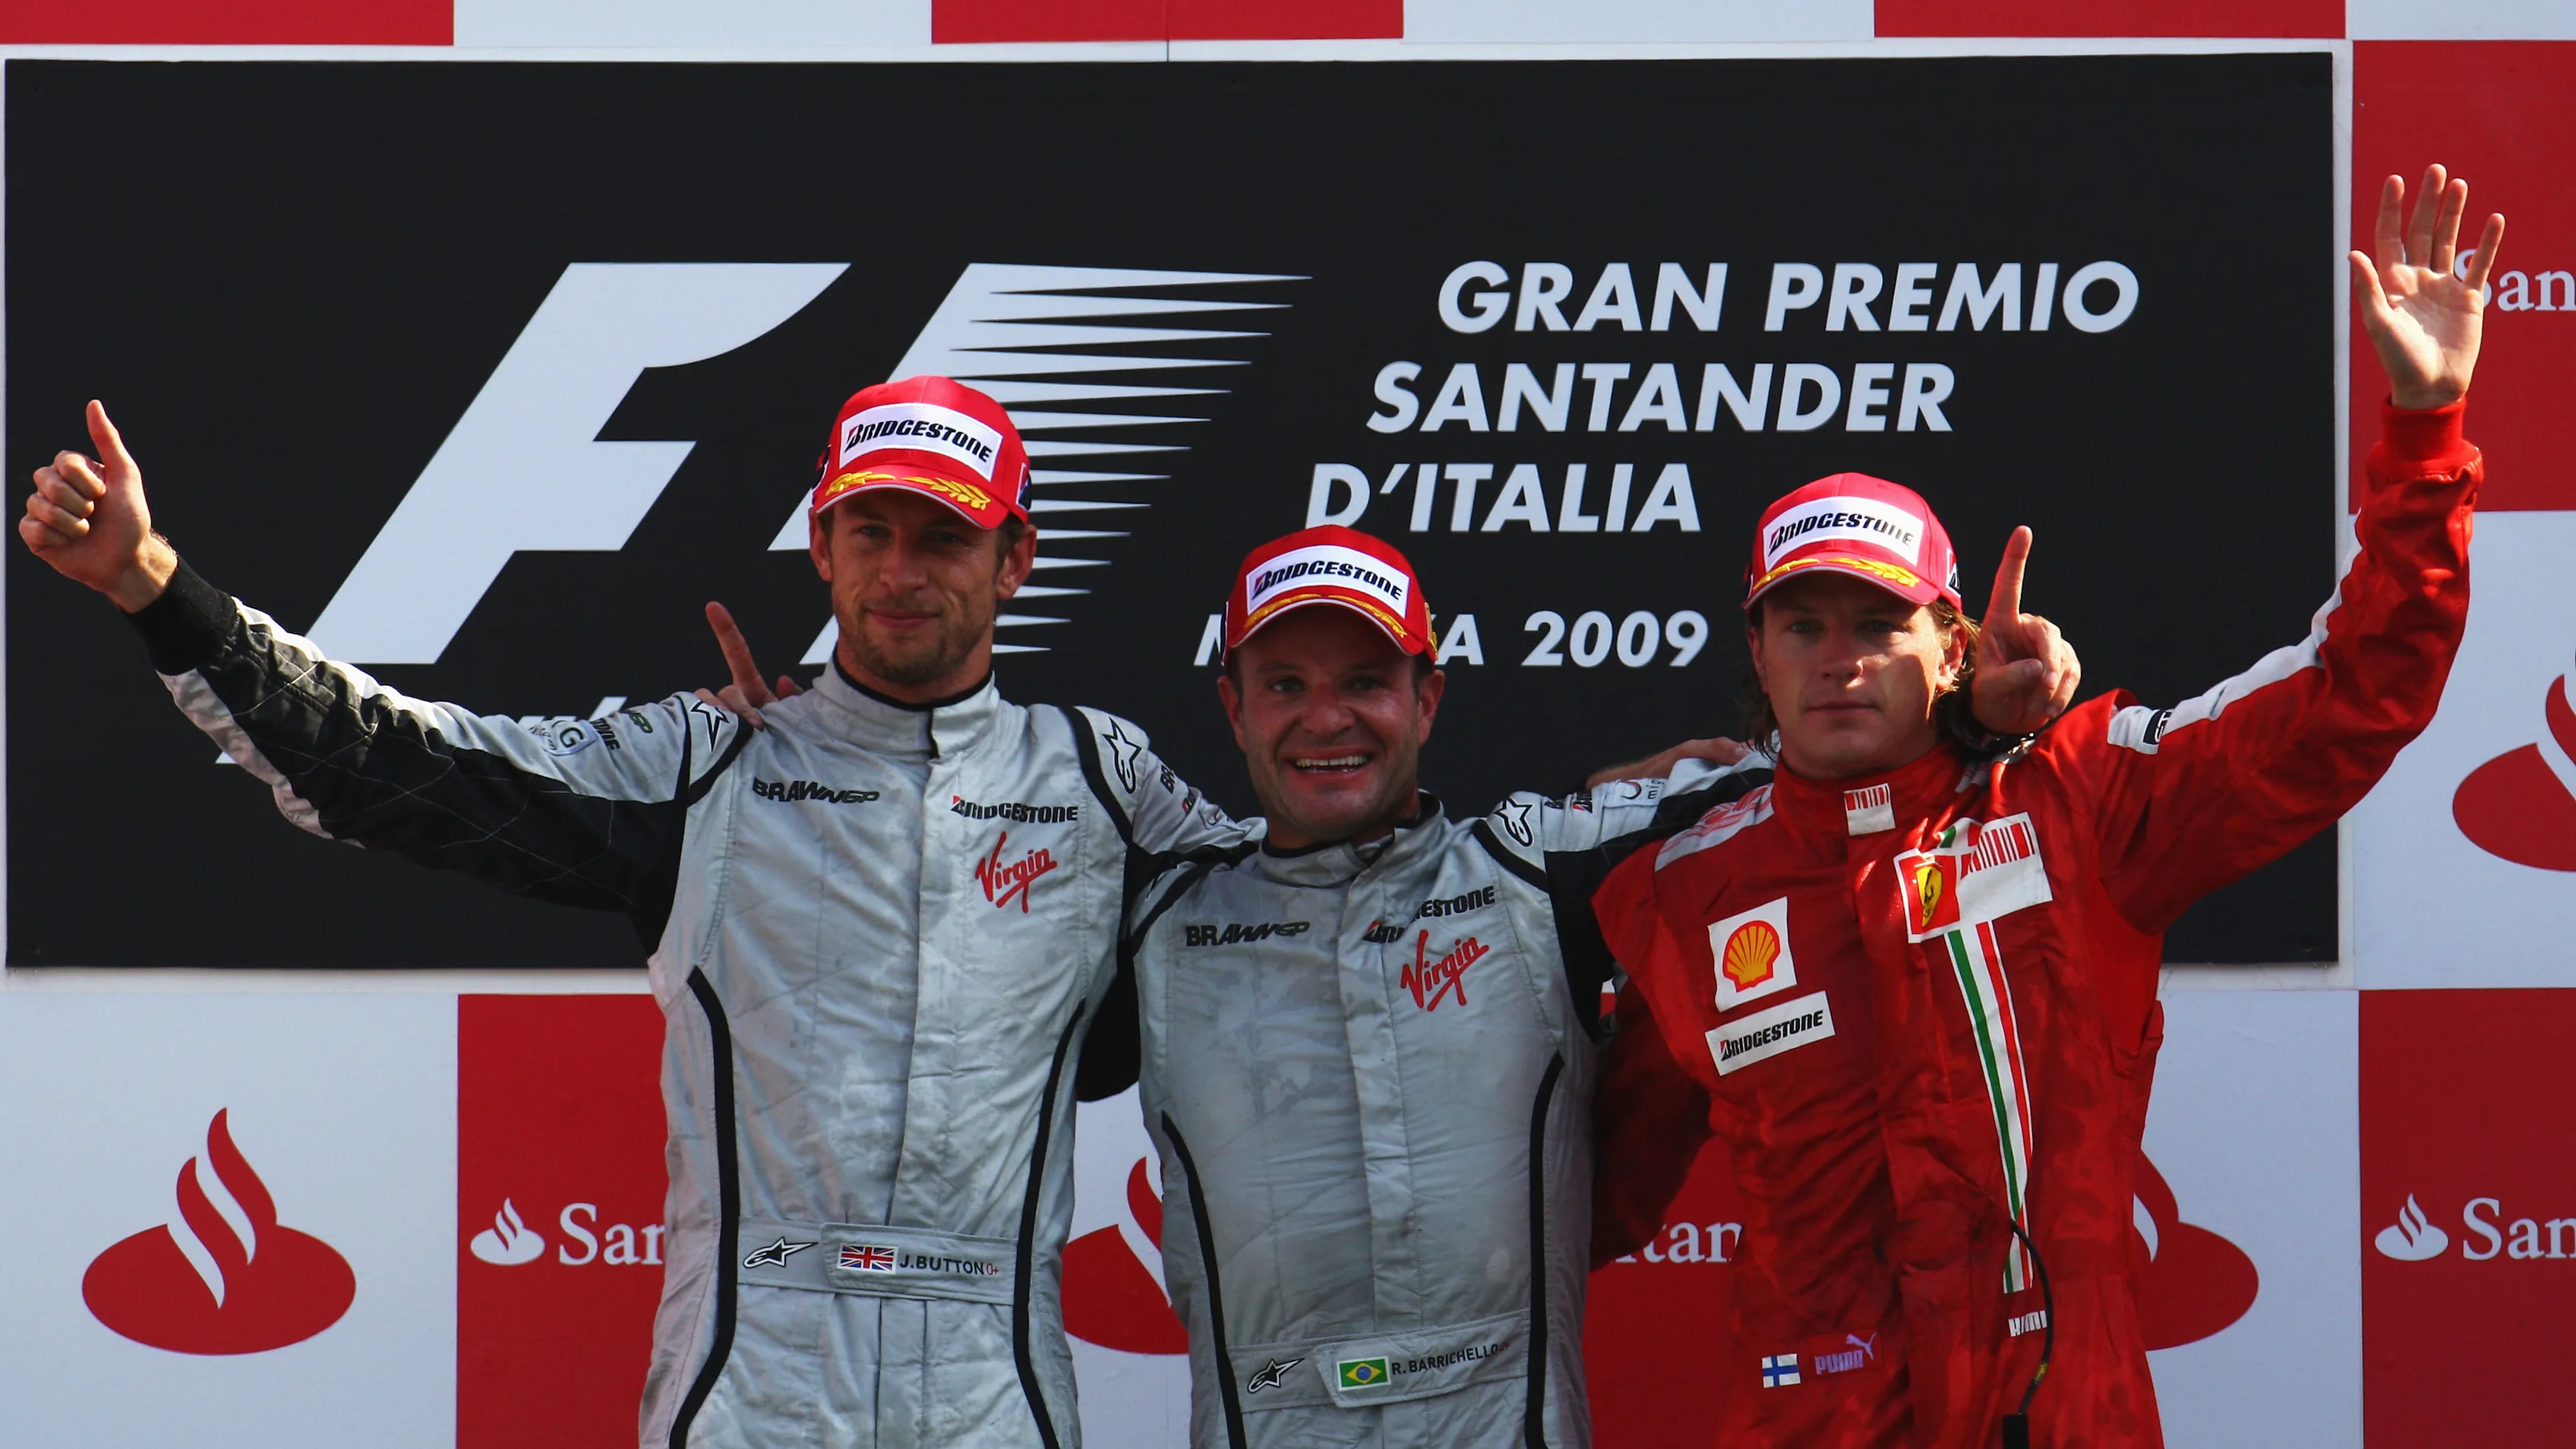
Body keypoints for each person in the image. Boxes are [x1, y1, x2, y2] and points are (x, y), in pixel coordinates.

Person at [21, 375, 1249, 1448]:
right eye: (868, 531)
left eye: (943, 538)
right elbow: (399, 769)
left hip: (1000, 1407)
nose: (901, 570)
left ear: (1014, 559)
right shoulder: (711, 764)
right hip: (752, 1402)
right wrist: (151, 584)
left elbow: (1303, 914)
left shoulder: (1097, 784)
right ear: (821, 550)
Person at [1586, 164, 2502, 1449]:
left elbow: (2355, 699)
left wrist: (2423, 428)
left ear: (1953, 644)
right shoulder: (1679, 889)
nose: (1840, 656)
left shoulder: (2084, 802)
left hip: (2062, 1419)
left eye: (1879, 623)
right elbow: (1577, 1200)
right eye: (1803, 624)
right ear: (1760, 650)